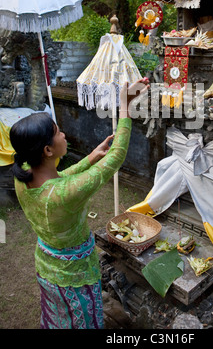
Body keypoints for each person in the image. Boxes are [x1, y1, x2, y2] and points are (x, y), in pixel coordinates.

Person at [9, 78, 149, 329]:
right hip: (75, 276)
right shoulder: (64, 194)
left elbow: (61, 177)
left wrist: (92, 156)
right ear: (48, 151)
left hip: (47, 265)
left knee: (57, 319)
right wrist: (125, 107)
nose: (63, 134)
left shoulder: (24, 174)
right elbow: (116, 157)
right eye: (57, 132)